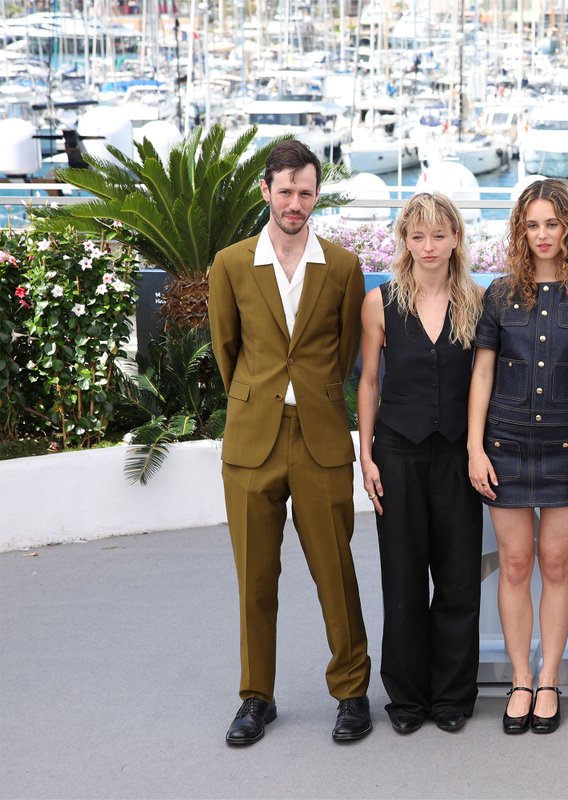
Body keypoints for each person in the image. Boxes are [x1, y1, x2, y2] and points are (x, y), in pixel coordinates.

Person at [208, 140, 371, 745]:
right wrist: (260, 400)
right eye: (286, 191)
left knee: (336, 572)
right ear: (266, 191)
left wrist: (311, 398)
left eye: (306, 192)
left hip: (321, 439)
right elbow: (229, 352)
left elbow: (345, 351)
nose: (295, 203)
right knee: (255, 577)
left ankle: (351, 693)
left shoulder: (344, 267)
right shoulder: (229, 264)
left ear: (316, 194)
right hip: (253, 442)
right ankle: (256, 697)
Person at [466, 179, 568, 735]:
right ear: (521, 230)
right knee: (516, 565)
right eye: (532, 224)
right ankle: (520, 680)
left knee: (556, 565)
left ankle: (550, 680)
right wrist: (474, 446)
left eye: (552, 223)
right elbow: (483, 374)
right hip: (506, 448)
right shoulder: (498, 294)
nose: (542, 234)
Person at [358, 192, 484, 735]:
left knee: (458, 579)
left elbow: (485, 380)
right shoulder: (379, 302)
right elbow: (367, 381)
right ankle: (407, 698)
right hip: (398, 452)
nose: (428, 246)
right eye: (417, 236)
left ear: (456, 238)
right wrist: (365, 453)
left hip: (458, 452)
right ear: (404, 242)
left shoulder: (479, 301)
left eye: (438, 235)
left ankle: (453, 694)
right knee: (402, 577)